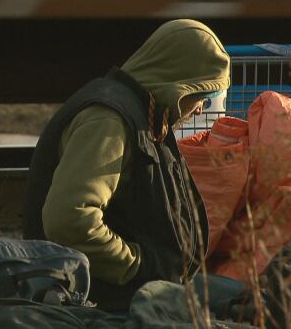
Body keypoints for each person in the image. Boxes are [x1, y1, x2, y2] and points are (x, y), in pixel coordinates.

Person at [22, 19, 230, 310]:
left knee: (236, 297)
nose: (198, 108)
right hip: (101, 298)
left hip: (133, 290)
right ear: (178, 81)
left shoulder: (144, 112)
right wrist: (134, 265)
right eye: (202, 96)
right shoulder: (109, 120)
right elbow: (69, 219)